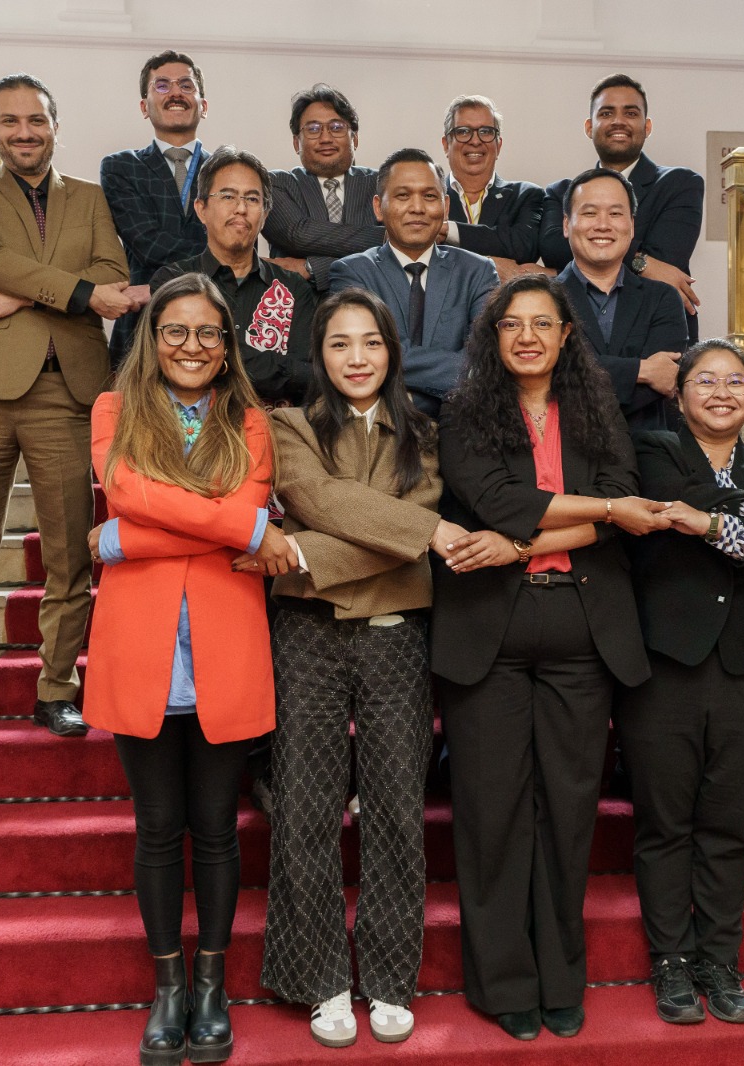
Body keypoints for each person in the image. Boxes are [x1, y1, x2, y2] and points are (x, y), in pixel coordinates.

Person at [431, 273, 666, 1041]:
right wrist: (596, 510)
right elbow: (502, 500)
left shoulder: (597, 410)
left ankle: (561, 978)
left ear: (568, 336)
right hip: (488, 638)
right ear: (492, 339)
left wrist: (524, 542)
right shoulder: (465, 411)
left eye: (543, 323)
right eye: (511, 325)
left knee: (567, 816)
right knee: (492, 815)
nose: (527, 336)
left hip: (581, 632)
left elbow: (628, 507)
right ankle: (503, 985)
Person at [86, 272, 295, 1065]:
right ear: (152, 337)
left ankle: (211, 983)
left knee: (215, 831)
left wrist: (122, 541)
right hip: (138, 644)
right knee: (156, 829)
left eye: (209, 333)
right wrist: (241, 526)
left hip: (224, 644)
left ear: (228, 344)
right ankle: (167, 983)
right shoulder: (114, 410)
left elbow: (142, 511)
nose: (193, 347)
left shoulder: (252, 423)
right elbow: (129, 491)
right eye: (176, 331)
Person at [260, 288, 459, 1047]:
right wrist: (419, 533)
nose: (356, 358)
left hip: (398, 633)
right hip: (308, 634)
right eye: (340, 344)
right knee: (307, 808)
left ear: (392, 351)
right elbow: (316, 496)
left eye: (370, 343)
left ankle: (388, 979)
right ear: (320, 355)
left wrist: (301, 555)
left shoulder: (425, 432)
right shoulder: (290, 426)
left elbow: (373, 520)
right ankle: (320, 981)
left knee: (394, 810)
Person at [618, 339, 744, 1026]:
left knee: (729, 824)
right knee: (665, 823)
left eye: (737, 380)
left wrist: (705, 522)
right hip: (665, 668)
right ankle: (672, 964)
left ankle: (720, 962)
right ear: (679, 394)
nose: (722, 391)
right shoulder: (652, 449)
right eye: (705, 379)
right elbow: (678, 498)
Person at [0, 73, 130, 744]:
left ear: (54, 126)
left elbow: (112, 280)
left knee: (70, 556)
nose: (23, 132)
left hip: (66, 391)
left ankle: (57, 689)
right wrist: (67, 292)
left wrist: (22, 294)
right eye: (9, 121)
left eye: (35, 120)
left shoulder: (92, 198)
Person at [328, 148, 497, 418]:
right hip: (379, 426)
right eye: (402, 196)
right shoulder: (352, 272)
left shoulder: (477, 271)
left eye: (429, 196)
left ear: (445, 207)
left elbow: (487, 362)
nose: (417, 208)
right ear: (378, 207)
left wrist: (404, 377)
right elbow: (366, 356)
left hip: (462, 425)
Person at [541, 73, 704, 343]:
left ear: (647, 126)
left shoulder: (680, 184)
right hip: (580, 335)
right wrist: (644, 261)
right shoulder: (561, 192)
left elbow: (669, 259)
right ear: (589, 126)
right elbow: (553, 248)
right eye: (606, 113)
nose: (618, 121)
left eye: (630, 113)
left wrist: (596, 247)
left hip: (655, 329)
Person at [150, 145, 318, 405]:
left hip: (278, 434)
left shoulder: (293, 289)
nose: (241, 208)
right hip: (189, 429)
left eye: (252, 199)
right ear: (201, 208)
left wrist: (216, 355)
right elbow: (167, 363)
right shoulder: (172, 281)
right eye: (227, 196)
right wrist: (277, 366)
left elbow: (310, 376)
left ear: (264, 216)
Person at [556, 168, 689, 431]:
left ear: (631, 226)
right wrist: (641, 370)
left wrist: (575, 376)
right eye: (589, 213)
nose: (603, 225)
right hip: (561, 449)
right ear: (566, 225)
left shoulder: (663, 299)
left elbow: (663, 380)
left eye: (615, 213)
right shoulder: (540, 299)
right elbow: (547, 376)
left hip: (647, 453)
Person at [101, 50, 211, 366]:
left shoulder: (227, 170)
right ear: (144, 107)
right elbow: (148, 245)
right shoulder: (121, 167)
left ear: (203, 106)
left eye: (186, 85)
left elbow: (242, 248)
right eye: (161, 86)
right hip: (141, 330)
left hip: (212, 324)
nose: (175, 92)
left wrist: (232, 256)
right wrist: (217, 259)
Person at [263, 84, 383, 291]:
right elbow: (298, 235)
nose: (325, 138)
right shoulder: (276, 184)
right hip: (297, 312)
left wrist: (310, 266)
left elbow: (397, 258)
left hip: (372, 309)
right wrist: (385, 238)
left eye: (336, 127)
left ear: (354, 139)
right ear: (296, 143)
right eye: (313, 129)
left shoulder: (382, 184)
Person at [437, 94, 548, 278]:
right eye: (463, 131)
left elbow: (523, 247)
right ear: (446, 145)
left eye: (486, 131)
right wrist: (492, 263)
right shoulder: (428, 199)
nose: (475, 140)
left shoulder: (526, 195)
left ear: (499, 145)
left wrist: (449, 230)